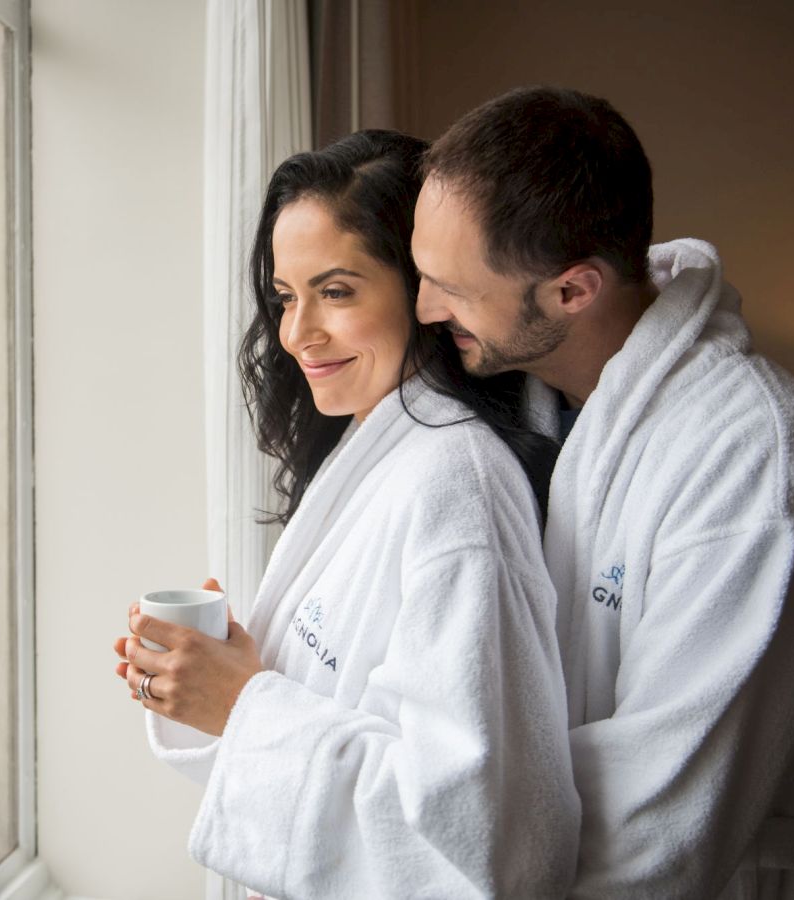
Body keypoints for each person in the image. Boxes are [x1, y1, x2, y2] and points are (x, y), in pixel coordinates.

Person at [114, 130, 580, 898]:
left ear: (423, 290)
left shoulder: (455, 485)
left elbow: (481, 837)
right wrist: (220, 676)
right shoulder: (376, 448)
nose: (297, 334)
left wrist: (243, 702)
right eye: (286, 297)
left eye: (337, 291)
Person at [410, 86, 794, 898]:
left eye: (453, 289)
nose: (426, 309)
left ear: (574, 291)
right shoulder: (526, 406)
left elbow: (663, 825)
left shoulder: (750, 461)